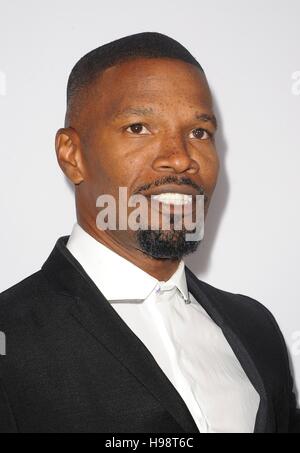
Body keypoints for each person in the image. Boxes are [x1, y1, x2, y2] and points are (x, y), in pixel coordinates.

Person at [0, 32, 299, 433]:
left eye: (199, 133)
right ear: (72, 156)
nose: (180, 157)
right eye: (139, 127)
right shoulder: (10, 336)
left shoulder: (256, 327)